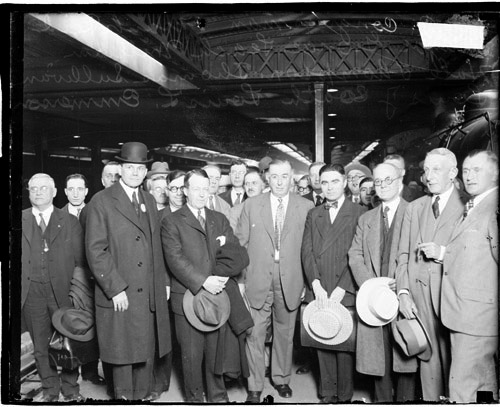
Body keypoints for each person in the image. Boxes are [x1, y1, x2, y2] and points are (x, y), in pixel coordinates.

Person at [85, 142, 171, 400]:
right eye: (130, 167)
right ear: (120, 169)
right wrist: (114, 289)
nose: (135, 173)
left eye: (140, 168)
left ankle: (141, 397)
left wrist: (163, 282)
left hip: (147, 293)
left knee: (145, 353)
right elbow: (95, 250)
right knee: (122, 356)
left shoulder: (148, 199)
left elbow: (156, 246)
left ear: (146, 173)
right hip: (120, 292)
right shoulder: (101, 201)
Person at [235, 159, 314, 402]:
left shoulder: (306, 206)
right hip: (257, 278)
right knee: (254, 333)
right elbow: (240, 245)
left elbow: (309, 249)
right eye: (275, 176)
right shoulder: (252, 205)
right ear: (267, 178)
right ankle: (255, 385)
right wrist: (241, 281)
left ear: (292, 179)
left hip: (291, 279)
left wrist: (305, 282)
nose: (279, 182)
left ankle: (281, 379)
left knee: (285, 332)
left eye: (284, 176)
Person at [161, 169, 242, 402]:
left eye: (205, 189)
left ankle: (218, 397)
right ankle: (195, 399)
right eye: (196, 189)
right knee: (191, 355)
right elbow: (175, 259)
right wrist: (204, 281)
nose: (201, 193)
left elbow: (233, 250)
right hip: (188, 297)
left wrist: (223, 276)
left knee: (216, 353)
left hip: (217, 295)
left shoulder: (219, 218)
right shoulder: (171, 221)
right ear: (185, 191)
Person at [396, 148, 465, 401]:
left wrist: (443, 253)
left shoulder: (468, 206)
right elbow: (403, 255)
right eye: (426, 170)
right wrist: (403, 293)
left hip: (454, 299)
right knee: (428, 366)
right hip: (419, 299)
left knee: (458, 368)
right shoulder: (414, 208)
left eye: (436, 169)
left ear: (453, 173)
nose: (429, 175)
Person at [349, 163, 416, 402]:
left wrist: (404, 284)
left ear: (400, 180)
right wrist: (371, 287)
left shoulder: (415, 212)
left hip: (405, 297)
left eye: (388, 180)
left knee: (406, 355)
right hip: (375, 301)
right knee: (379, 361)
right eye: (378, 181)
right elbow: (355, 255)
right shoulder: (366, 219)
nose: (383, 185)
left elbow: (418, 255)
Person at [301, 164, 366, 403]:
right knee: (322, 338)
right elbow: (307, 251)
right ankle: (327, 393)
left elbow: (359, 254)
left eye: (335, 182)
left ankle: (345, 396)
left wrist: (344, 287)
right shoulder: (313, 213)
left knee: (344, 343)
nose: (329, 187)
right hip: (320, 285)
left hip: (344, 286)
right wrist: (315, 283)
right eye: (325, 182)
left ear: (345, 182)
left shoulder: (359, 212)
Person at [441, 150, 498, 403]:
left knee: (463, 389)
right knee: (483, 384)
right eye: (466, 170)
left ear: (495, 173)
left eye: (477, 170)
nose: (469, 176)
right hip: (467, 314)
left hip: (477, 316)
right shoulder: (475, 205)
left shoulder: (492, 208)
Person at [22, 173, 85, 401]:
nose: (38, 192)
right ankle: (50, 390)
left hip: (63, 292)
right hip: (32, 293)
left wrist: (76, 294)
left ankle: (70, 389)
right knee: (40, 345)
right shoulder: (20, 219)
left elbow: (80, 262)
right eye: (33, 188)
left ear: (55, 192)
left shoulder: (69, 221)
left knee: (68, 342)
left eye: (43, 188)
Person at [229, 167, 264, 231]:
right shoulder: (235, 211)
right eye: (247, 184)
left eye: (254, 183)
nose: (250, 187)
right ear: (244, 187)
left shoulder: (271, 206)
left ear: (263, 185)